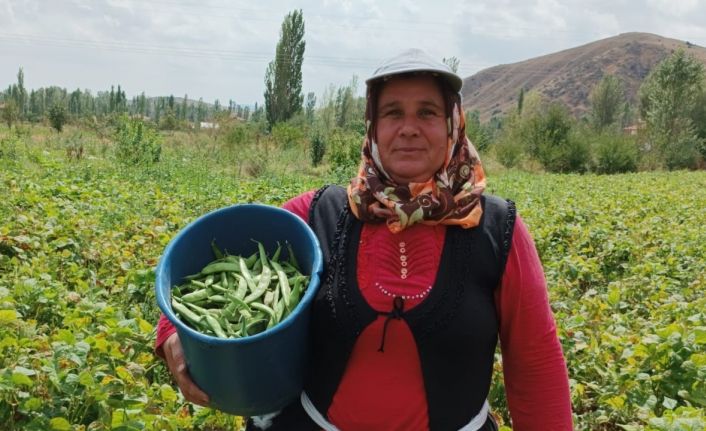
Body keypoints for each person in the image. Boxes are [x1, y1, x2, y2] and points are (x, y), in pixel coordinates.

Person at [155, 48, 573, 430]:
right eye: (392, 113)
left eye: (427, 112)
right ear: (373, 128)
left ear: (452, 126)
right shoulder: (319, 214)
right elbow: (213, 263)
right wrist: (171, 333)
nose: (408, 128)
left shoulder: (496, 229)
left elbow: (535, 365)